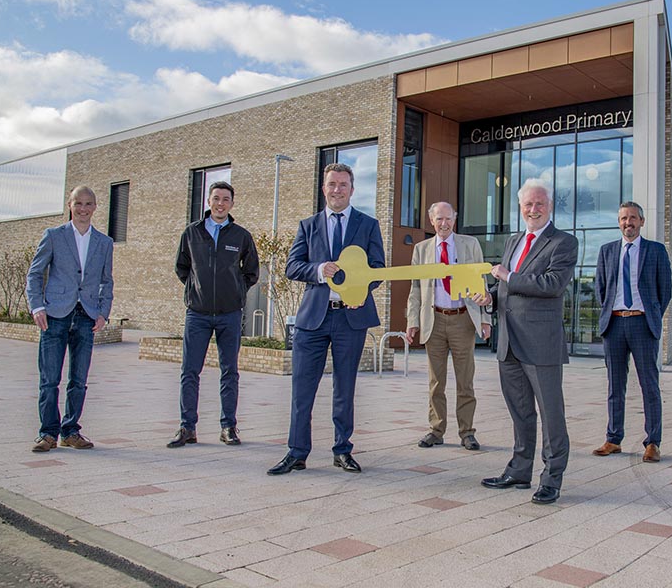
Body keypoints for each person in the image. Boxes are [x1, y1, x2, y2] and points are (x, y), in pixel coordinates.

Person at [268, 163, 385, 475]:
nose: (337, 190)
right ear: (324, 188)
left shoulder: (368, 225)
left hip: (351, 318)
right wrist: (319, 271)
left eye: (343, 184)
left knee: (345, 388)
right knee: (302, 388)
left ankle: (342, 450)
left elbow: (378, 270)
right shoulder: (308, 225)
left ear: (351, 189)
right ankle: (297, 452)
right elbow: (292, 266)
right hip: (313, 320)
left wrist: (356, 287)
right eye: (332, 184)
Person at [478, 178, 578, 505]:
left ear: (550, 206)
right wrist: (488, 297)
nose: (533, 210)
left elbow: (552, 284)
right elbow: (505, 289)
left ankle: (552, 478)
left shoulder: (563, 242)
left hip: (541, 343)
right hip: (509, 340)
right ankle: (519, 470)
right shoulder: (513, 240)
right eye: (527, 205)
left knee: (551, 415)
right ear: (520, 208)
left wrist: (507, 277)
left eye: (539, 204)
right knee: (520, 412)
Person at [168, 181, 259, 448]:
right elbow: (181, 268)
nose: (220, 203)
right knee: (189, 371)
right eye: (216, 198)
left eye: (226, 199)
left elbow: (251, 271)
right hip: (197, 313)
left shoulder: (241, 236)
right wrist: (197, 289)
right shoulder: (192, 233)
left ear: (232, 203)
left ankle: (228, 426)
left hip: (230, 314)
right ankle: (187, 427)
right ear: (208, 201)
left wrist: (236, 291)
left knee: (229, 371)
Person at [26, 186, 114, 452]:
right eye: (78, 204)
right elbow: (34, 273)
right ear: (70, 205)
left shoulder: (104, 242)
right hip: (55, 314)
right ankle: (48, 433)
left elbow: (106, 281)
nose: (83, 209)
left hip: (86, 316)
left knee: (78, 379)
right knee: (50, 378)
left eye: (88, 204)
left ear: (95, 207)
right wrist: (36, 306)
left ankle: (71, 430)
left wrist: (103, 313)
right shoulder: (54, 236)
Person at [406, 202, 491, 451]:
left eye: (448, 219)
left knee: (466, 380)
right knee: (436, 382)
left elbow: (481, 282)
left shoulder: (469, 245)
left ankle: (467, 432)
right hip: (434, 320)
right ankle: (436, 429)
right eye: (439, 219)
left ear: (455, 219)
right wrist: (412, 322)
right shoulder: (421, 250)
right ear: (431, 221)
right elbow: (415, 289)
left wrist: (485, 319)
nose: (444, 224)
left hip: (463, 319)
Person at [592, 201, 672, 463]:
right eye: (624, 218)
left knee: (649, 385)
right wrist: (609, 313)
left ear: (642, 222)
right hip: (614, 324)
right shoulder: (607, 251)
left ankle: (653, 442)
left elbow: (665, 290)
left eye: (633, 218)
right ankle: (613, 439)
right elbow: (600, 288)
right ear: (619, 222)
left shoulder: (656, 251)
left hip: (642, 323)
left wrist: (651, 317)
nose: (629, 222)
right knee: (615, 385)